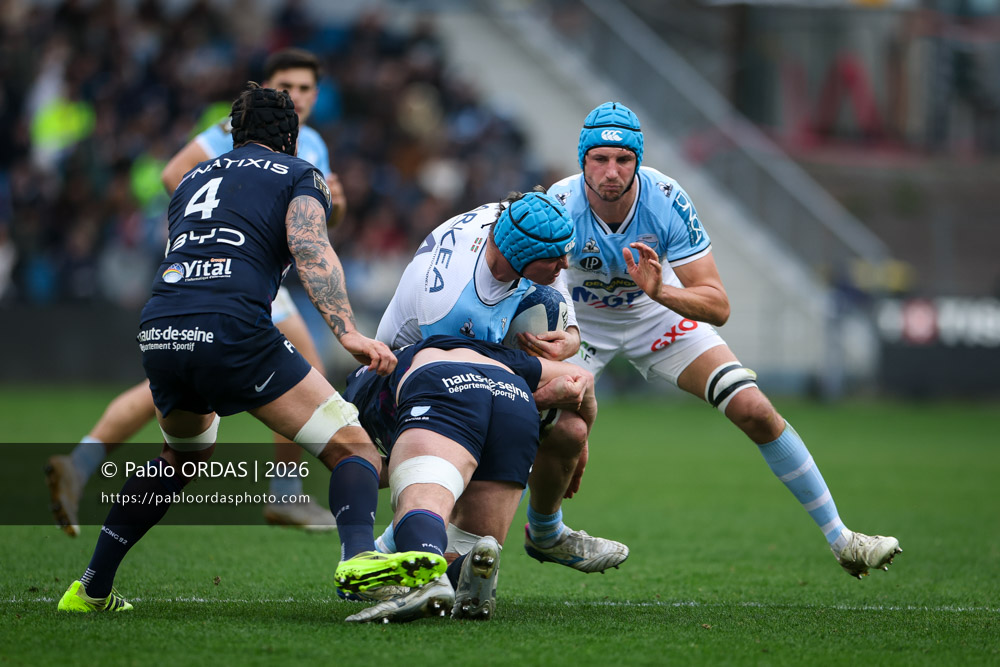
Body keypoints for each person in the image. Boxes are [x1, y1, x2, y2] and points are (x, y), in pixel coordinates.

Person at [56, 84, 422, 613]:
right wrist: (348, 332)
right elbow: (311, 248)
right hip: (231, 327)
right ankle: (359, 560)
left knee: (180, 457)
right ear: (292, 138)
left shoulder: (192, 178)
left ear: (234, 134)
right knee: (354, 449)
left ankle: (90, 589)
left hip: (161, 326)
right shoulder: (299, 173)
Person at [547, 101, 902, 579]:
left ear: (638, 160)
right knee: (534, 422)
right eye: (600, 159)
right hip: (580, 323)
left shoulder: (667, 199)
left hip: (656, 315)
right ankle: (530, 536)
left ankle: (843, 540)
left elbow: (717, 304)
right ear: (582, 160)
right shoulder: (559, 204)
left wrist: (662, 292)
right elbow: (543, 289)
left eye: (623, 159)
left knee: (755, 409)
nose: (612, 171)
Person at [45, 48, 347, 534]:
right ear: (268, 88)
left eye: (306, 87)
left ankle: (81, 463)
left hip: (250, 275)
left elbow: (319, 223)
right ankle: (286, 492)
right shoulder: (236, 132)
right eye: (286, 86)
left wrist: (339, 203)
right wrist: (219, 231)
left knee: (174, 386)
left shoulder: (313, 144)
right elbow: (174, 173)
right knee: (303, 364)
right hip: (234, 269)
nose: (297, 95)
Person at [373, 190, 629, 574]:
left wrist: (572, 335)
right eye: (555, 258)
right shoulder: (453, 305)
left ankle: (546, 533)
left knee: (570, 430)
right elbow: (469, 396)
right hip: (404, 377)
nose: (565, 264)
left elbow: (554, 272)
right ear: (521, 257)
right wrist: (540, 397)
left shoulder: (513, 219)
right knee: (487, 437)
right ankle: (387, 547)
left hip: (469, 363)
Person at [334, 334, 598, 623]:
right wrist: (582, 442)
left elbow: (357, 461)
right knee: (465, 548)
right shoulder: (489, 350)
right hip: (514, 398)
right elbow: (583, 377)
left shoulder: (360, 386)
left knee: (423, 492)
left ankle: (421, 579)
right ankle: (457, 573)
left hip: (441, 386)